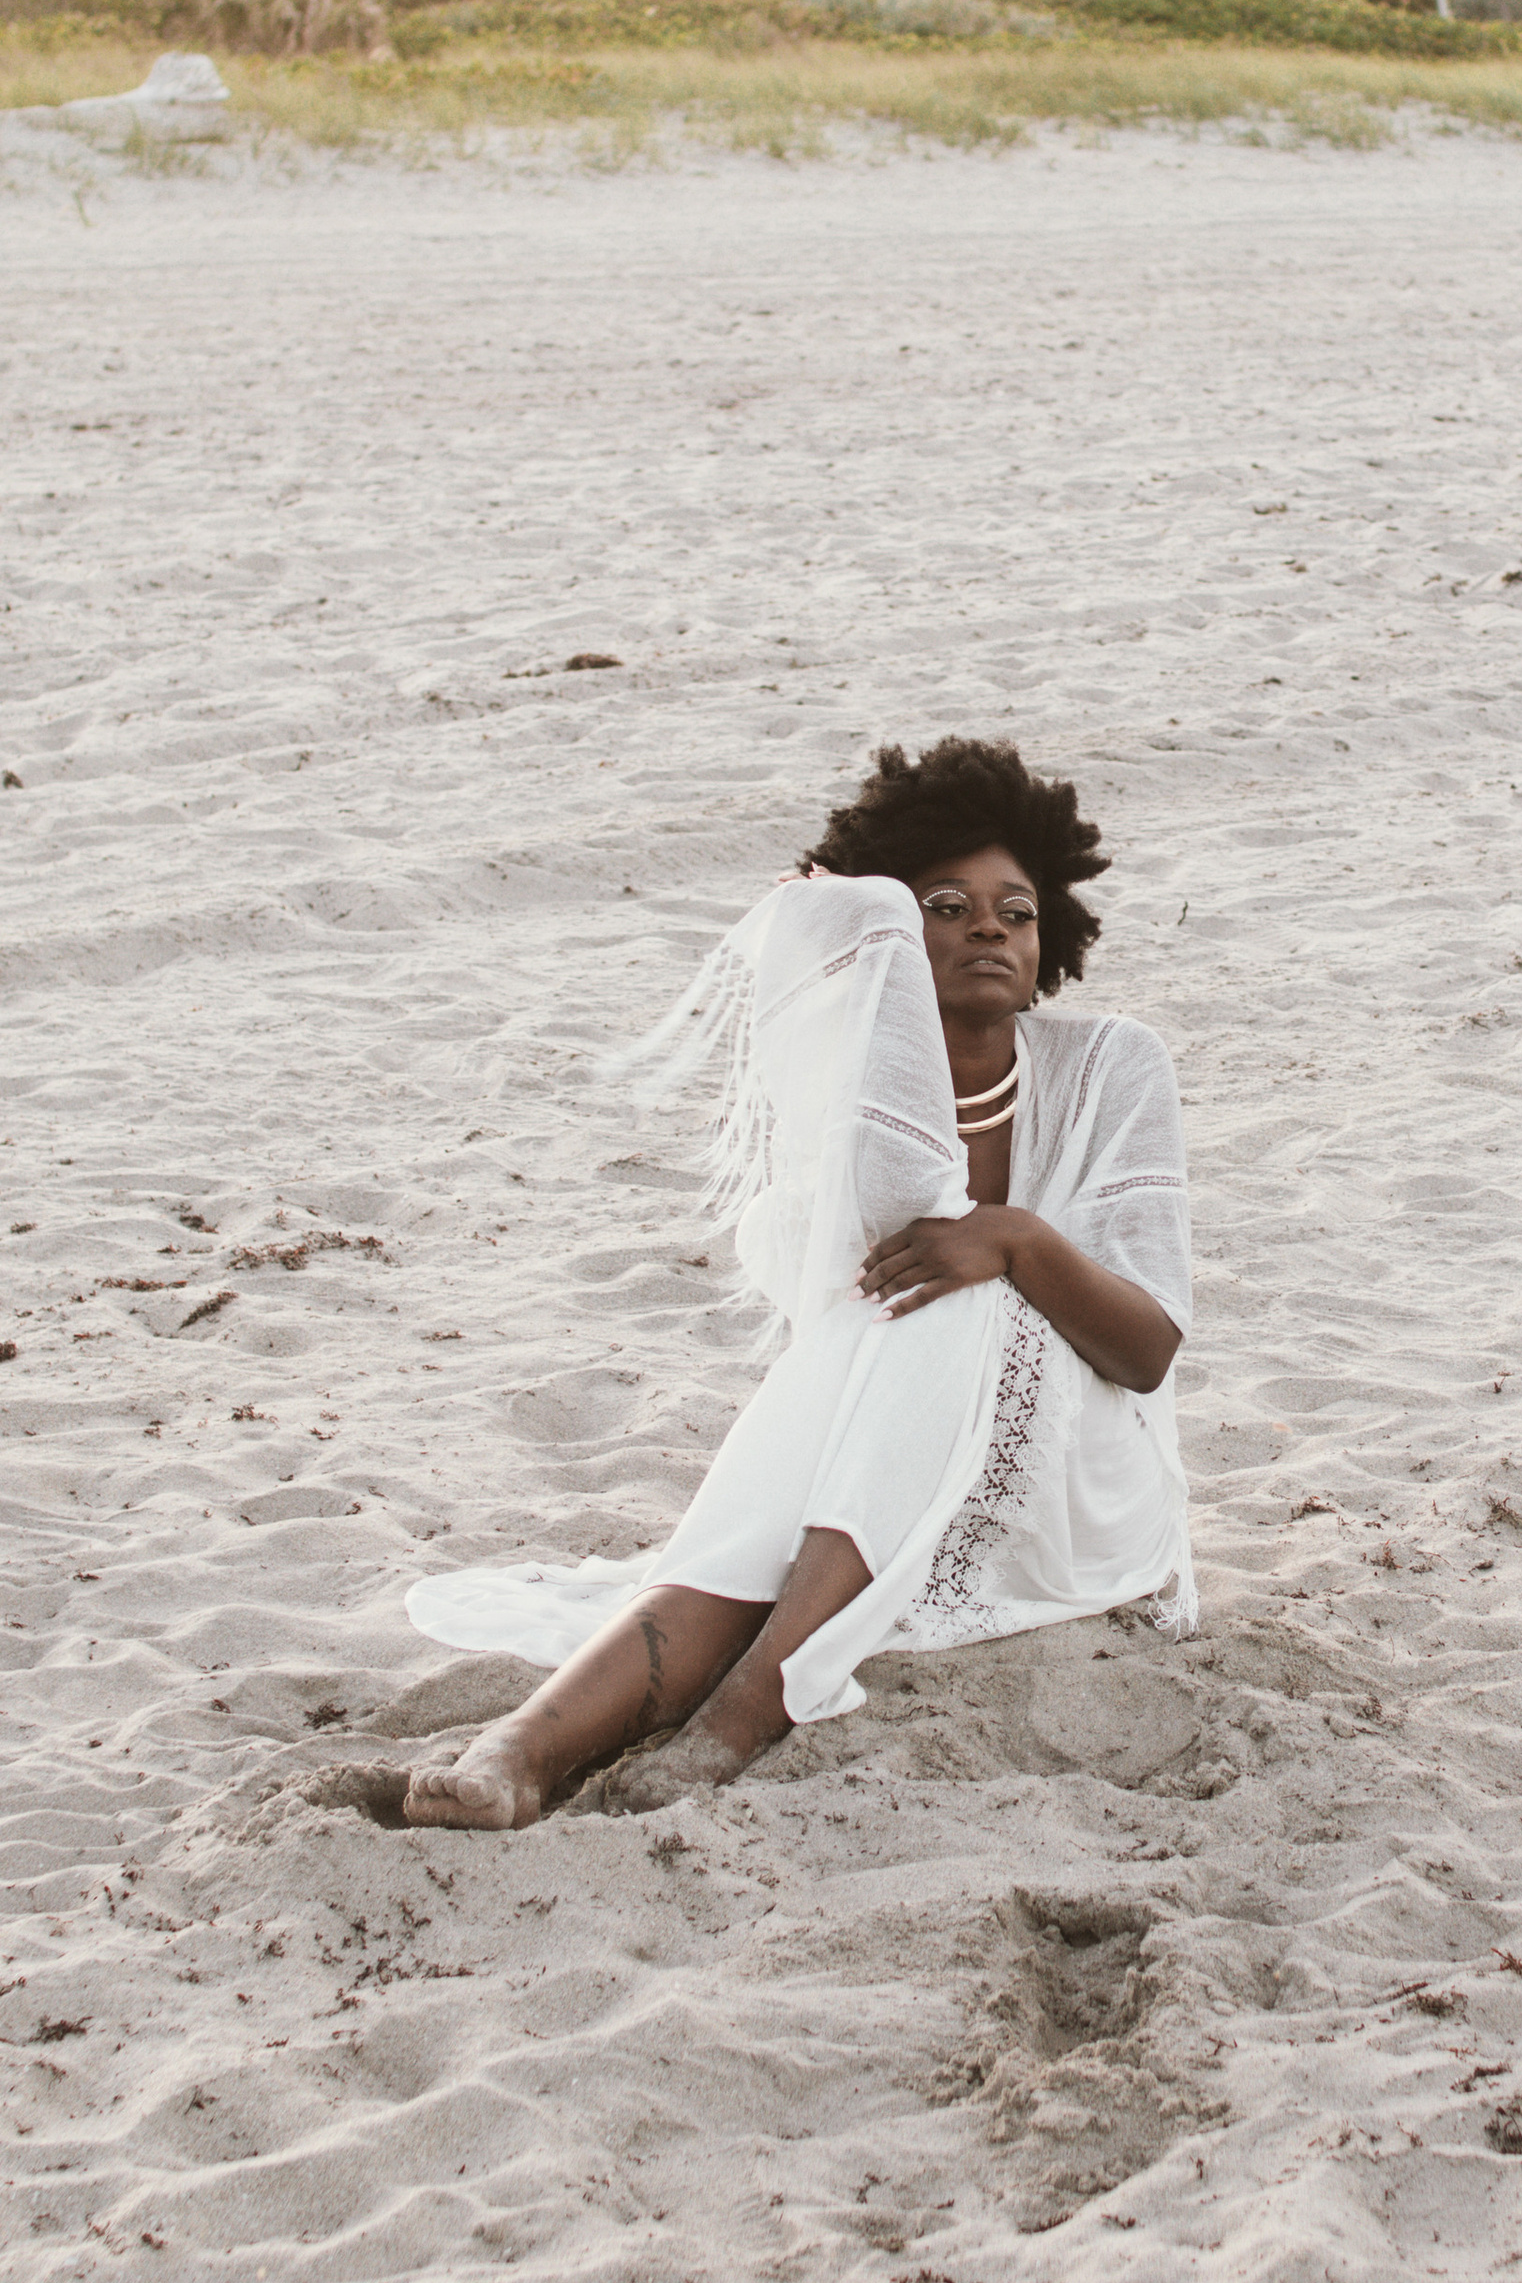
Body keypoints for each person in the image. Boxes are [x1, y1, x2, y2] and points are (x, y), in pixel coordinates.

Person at [401, 739, 1194, 1828]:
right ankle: (520, 1749)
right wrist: (842, 957)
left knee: (956, 1297)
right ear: (887, 935)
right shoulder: (856, 1085)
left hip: (1074, 1478)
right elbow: (877, 1242)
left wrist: (1016, 1241)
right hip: (880, 1436)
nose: (987, 931)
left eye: (1016, 912)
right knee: (767, 1519)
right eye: (944, 906)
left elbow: (1146, 1353)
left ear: (1051, 930)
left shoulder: (1115, 1065)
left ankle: (751, 1705)